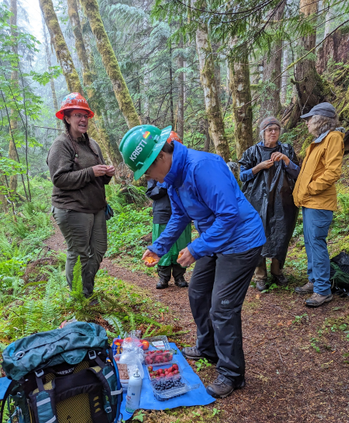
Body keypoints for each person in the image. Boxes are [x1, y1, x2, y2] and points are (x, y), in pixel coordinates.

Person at [119, 124, 266, 399]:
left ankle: (232, 373)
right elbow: (180, 217)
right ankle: (208, 347)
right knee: (198, 292)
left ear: (161, 157)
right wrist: (158, 247)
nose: (150, 178)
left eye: (148, 171)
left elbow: (229, 215)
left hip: (241, 240)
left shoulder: (202, 167)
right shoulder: (173, 180)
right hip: (215, 238)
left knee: (222, 306)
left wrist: (197, 248)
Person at [47, 92, 115, 300]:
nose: (83, 119)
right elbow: (59, 179)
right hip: (72, 208)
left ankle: (86, 289)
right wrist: (91, 172)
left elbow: (97, 178)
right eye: (77, 115)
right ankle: (80, 296)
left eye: (85, 115)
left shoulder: (92, 144)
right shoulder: (62, 145)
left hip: (95, 208)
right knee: (79, 254)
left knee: (99, 249)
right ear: (67, 118)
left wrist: (106, 174)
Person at [292, 102, 345, 307]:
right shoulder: (318, 142)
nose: (306, 123)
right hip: (310, 201)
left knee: (317, 243)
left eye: (309, 119)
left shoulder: (332, 138)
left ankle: (323, 290)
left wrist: (310, 189)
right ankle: (314, 280)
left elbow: (333, 172)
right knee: (309, 242)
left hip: (319, 202)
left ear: (320, 120)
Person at [239, 116, 300, 291]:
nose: (273, 132)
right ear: (263, 132)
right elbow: (242, 176)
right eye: (269, 130)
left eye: (276, 129)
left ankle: (277, 271)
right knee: (258, 235)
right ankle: (260, 275)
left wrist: (287, 161)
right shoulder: (252, 152)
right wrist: (258, 167)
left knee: (281, 233)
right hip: (257, 201)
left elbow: (298, 174)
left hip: (284, 201)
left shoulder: (286, 149)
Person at [145, 131, 190, 289]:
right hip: (162, 214)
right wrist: (165, 183)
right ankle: (163, 278)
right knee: (164, 246)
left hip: (181, 214)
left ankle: (179, 276)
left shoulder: (186, 169)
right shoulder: (154, 172)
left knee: (181, 245)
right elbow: (151, 193)